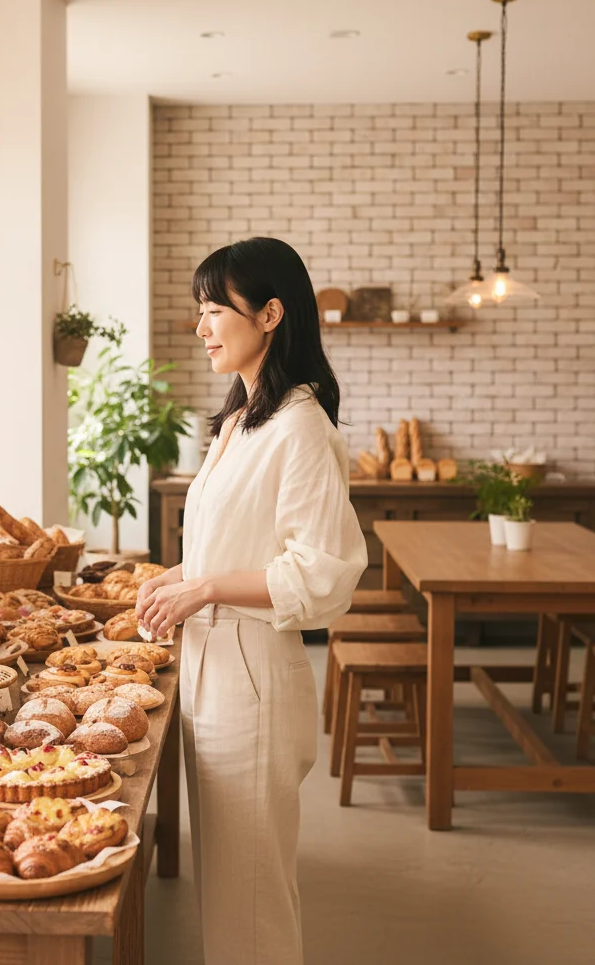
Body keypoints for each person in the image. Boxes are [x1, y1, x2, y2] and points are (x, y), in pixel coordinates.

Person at [137, 237, 368, 965]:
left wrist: (203, 586)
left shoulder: (300, 426)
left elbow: (322, 572)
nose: (201, 326)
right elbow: (237, 540)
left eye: (214, 310)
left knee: (253, 905)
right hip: (213, 665)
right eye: (198, 310)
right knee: (231, 891)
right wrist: (179, 574)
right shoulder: (242, 418)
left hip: (252, 676)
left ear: (271, 314)